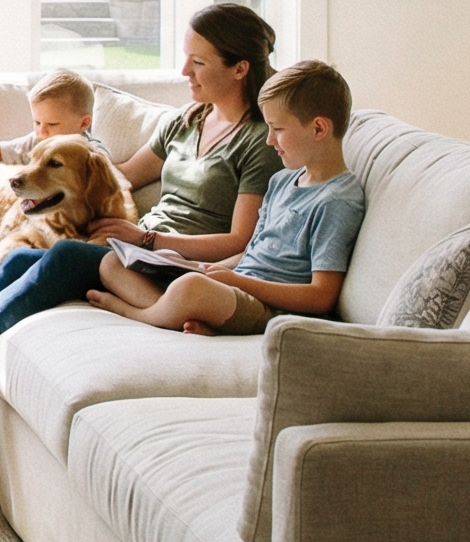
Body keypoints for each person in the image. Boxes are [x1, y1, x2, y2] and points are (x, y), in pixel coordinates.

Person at [0, 3, 281, 442]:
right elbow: (120, 175)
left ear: (239, 68)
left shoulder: (260, 139)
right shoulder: (188, 120)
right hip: (129, 249)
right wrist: (46, 162)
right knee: (14, 262)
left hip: (172, 263)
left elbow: (243, 239)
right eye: (186, 57)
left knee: (63, 255)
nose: (184, 71)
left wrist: (146, 237)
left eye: (198, 62)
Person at [85, 60, 363, 336]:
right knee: (113, 262)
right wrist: (203, 267)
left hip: (271, 308)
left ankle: (135, 312)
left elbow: (321, 296)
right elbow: (252, 250)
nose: (269, 140)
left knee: (191, 288)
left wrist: (238, 282)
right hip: (236, 286)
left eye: (278, 129)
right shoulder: (282, 180)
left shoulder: (336, 201)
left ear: (318, 129)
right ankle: (185, 313)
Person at [0, 67, 105, 172]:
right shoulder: (35, 142)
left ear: (83, 123)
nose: (42, 132)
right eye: (37, 123)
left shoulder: (93, 152)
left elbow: (109, 179)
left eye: (52, 124)